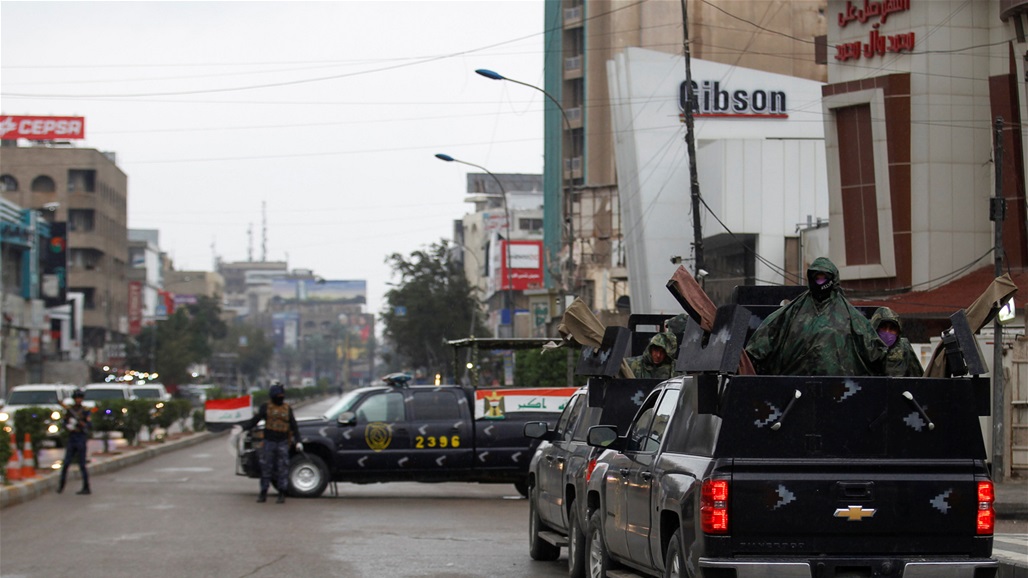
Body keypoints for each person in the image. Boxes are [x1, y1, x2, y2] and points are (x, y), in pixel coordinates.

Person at [745, 257, 886, 376]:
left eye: (824, 277)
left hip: (839, 388)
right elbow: (766, 335)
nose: (820, 281)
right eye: (817, 277)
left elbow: (874, 350)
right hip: (795, 387)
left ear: (832, 279)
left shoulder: (850, 316)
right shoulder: (793, 311)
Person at [241, 382, 302, 503]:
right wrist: (243, 427)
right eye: (278, 395)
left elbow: (293, 426)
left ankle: (282, 493)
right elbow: (255, 420)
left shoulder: (287, 408)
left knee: (282, 469)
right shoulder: (266, 407)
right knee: (266, 468)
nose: (280, 397)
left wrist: (298, 441)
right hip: (269, 442)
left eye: (281, 394)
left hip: (283, 442)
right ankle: (263, 492)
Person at [871, 306, 924, 377]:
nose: (887, 332)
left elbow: (918, 379)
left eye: (892, 328)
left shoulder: (904, 349)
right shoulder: (867, 348)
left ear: (898, 332)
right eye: (883, 327)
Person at [58, 389, 91, 495]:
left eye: (80, 398)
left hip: (81, 437)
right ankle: (61, 486)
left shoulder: (85, 411)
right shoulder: (70, 410)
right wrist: (68, 426)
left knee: (82, 464)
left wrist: (82, 424)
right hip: (72, 437)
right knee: (66, 463)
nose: (78, 400)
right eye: (76, 398)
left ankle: (86, 487)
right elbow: (64, 423)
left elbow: (89, 425)